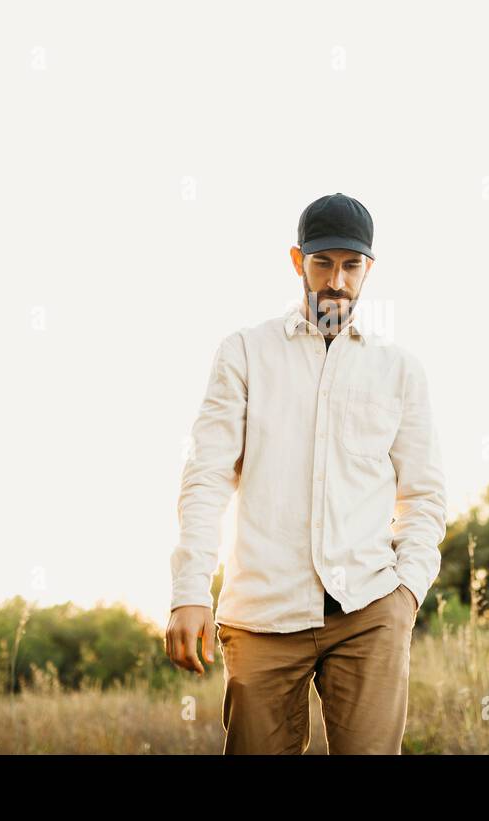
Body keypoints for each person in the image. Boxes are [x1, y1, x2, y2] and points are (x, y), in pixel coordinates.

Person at [164, 191, 448, 754]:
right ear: (298, 262)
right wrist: (189, 590)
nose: (336, 282)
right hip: (263, 614)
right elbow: (206, 477)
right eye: (322, 264)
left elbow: (424, 495)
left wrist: (406, 595)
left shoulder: (400, 371)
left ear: (368, 269)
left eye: (350, 265)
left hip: (369, 610)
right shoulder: (244, 352)